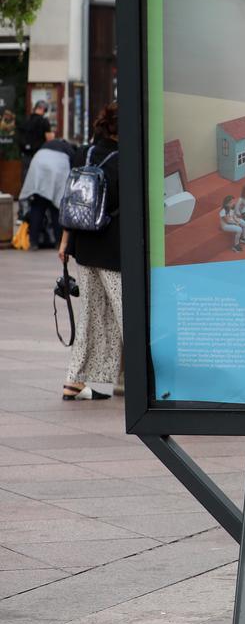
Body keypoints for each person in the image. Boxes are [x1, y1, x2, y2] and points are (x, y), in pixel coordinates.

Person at [58, 104, 124, 402]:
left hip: (83, 246)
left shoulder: (81, 153)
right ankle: (137, 379)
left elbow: (71, 202)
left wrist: (64, 243)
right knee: (126, 314)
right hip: (113, 247)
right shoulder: (123, 160)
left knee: (90, 316)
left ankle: (74, 381)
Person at [19, 99, 51, 178]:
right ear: (43, 109)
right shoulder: (44, 121)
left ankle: (25, 190)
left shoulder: (25, 120)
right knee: (38, 176)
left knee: (25, 175)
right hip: (39, 154)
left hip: (25, 154)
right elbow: (49, 139)